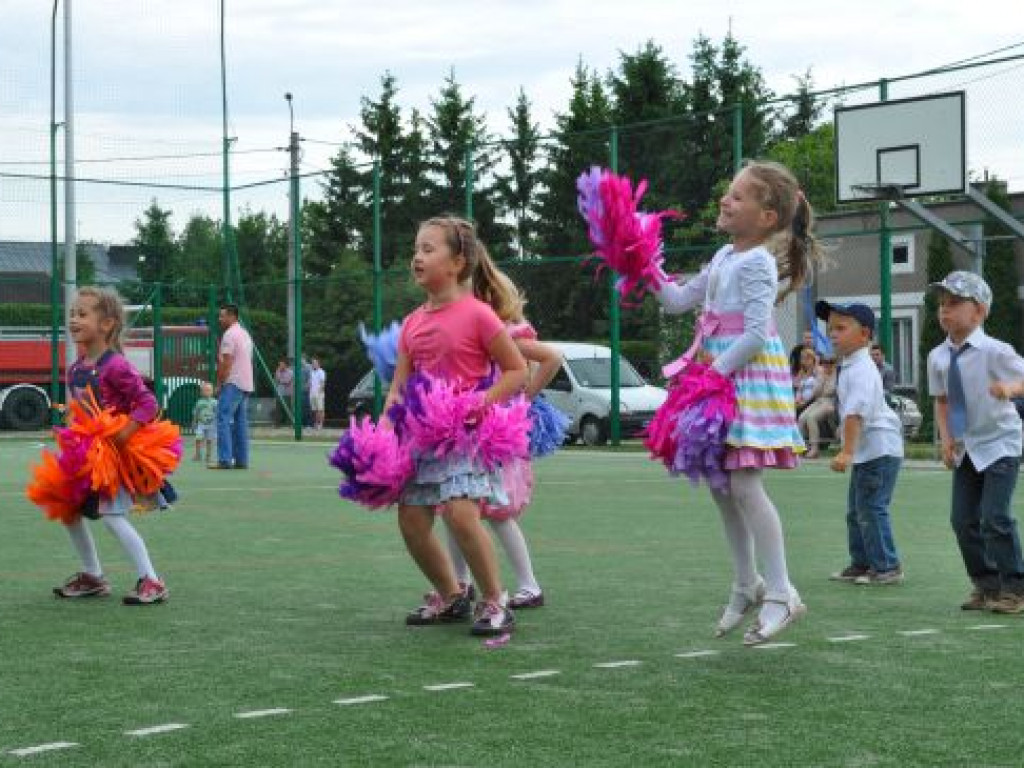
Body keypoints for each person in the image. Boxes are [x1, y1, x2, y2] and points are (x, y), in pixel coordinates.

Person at [653, 160, 823, 646]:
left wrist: (711, 374)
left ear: (768, 217)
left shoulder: (757, 262)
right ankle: (747, 583)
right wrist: (641, 259)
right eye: (729, 193)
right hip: (718, 377)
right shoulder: (726, 256)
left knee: (746, 485)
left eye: (739, 196)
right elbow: (676, 300)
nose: (726, 201)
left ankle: (782, 591)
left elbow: (753, 334)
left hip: (743, 379)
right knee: (722, 486)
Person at [384, 215, 527, 637]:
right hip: (422, 437)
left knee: (463, 514)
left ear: (458, 262)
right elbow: (399, 385)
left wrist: (480, 403)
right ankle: (451, 596)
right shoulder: (411, 322)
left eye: (429, 249)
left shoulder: (478, 315)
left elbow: (516, 370)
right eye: (416, 249)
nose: (417, 257)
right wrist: (387, 420)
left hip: (465, 435)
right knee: (411, 518)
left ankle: (496, 601)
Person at [445, 253, 564, 610]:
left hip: (495, 437)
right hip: (468, 432)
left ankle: (529, 585)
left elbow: (551, 357)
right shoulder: (469, 335)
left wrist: (522, 400)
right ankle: (460, 584)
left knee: (498, 513)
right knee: (455, 508)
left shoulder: (504, 334)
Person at [52, 286, 169, 605]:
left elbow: (147, 402)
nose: (74, 319)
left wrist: (126, 431)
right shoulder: (76, 367)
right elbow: (80, 409)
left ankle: (152, 580)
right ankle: (93, 575)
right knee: (69, 511)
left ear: (106, 324)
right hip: (86, 455)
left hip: (112, 457)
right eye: (72, 314)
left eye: (82, 314)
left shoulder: (116, 365)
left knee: (113, 516)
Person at [927, 271, 1024, 614]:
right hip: (968, 446)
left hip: (1001, 442)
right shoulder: (937, 357)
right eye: (942, 304)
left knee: (994, 516)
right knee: (962, 520)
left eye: (954, 303)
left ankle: (1016, 588)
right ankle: (986, 585)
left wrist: (1009, 389)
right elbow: (941, 401)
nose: (944, 311)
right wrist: (947, 439)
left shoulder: (996, 351)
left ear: (979, 312)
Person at [818, 301, 905, 586]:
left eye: (841, 328)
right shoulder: (849, 366)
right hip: (869, 451)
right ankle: (862, 563)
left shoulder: (862, 370)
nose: (833, 334)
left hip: (879, 449)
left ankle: (887, 566)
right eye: (830, 328)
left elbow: (855, 414)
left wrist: (846, 451)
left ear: (865, 334)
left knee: (871, 508)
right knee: (857, 510)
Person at [211, 303, 253, 470]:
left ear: (232, 316)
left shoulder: (229, 335)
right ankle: (242, 460)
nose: (220, 319)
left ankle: (225, 459)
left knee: (222, 418)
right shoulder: (244, 333)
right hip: (246, 383)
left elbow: (226, 363)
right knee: (240, 421)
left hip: (233, 382)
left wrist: (219, 384)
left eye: (223, 316)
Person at [798, 356, 838, 459]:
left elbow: (830, 391)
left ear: (834, 365)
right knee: (802, 418)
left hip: (831, 402)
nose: (827, 367)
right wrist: (822, 379)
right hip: (819, 401)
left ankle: (814, 448)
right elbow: (816, 392)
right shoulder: (821, 375)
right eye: (825, 365)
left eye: (830, 365)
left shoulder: (838, 375)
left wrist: (824, 384)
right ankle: (802, 446)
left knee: (812, 417)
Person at [192, 381, 217, 463]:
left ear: (212, 391)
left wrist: (216, 422)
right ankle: (198, 454)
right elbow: (196, 413)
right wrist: (194, 422)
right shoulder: (199, 402)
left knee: (210, 440)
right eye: (205, 390)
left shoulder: (215, 402)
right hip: (201, 424)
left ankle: (208, 456)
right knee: (198, 439)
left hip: (211, 425)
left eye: (209, 390)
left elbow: (217, 413)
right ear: (201, 392)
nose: (207, 392)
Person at [792, 346, 819, 415]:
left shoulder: (817, 371)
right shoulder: (802, 372)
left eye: (807, 358)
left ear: (813, 359)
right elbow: (797, 386)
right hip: (801, 401)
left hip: (812, 401)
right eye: (803, 358)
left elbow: (817, 390)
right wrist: (797, 399)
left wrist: (804, 402)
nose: (805, 361)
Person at [274, 358, 293, 427]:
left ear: (285, 365)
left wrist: (280, 380)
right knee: (278, 409)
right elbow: (276, 380)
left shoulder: (290, 372)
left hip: (287, 393)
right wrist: (279, 375)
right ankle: (277, 424)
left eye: (281, 364)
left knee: (287, 409)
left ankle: (289, 424)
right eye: (279, 365)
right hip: (279, 393)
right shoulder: (278, 371)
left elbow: (287, 381)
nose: (280, 366)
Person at [309, 356, 326, 430]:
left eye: (315, 363)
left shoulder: (321, 372)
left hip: (319, 393)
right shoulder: (311, 372)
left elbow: (322, 383)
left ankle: (320, 424)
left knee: (320, 409)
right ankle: (316, 424)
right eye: (313, 363)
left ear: (318, 364)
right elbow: (310, 382)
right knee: (315, 410)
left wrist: (320, 392)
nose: (313, 364)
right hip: (312, 392)